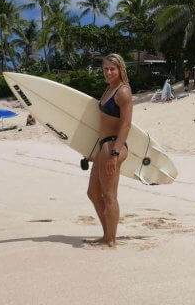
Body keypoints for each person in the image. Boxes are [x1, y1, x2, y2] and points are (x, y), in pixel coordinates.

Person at [87, 53, 132, 247]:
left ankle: (111, 240)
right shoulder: (109, 89)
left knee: (109, 195)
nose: (108, 72)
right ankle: (107, 234)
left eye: (112, 68)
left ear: (120, 69)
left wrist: (115, 153)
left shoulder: (123, 92)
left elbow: (126, 125)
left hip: (113, 146)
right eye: (105, 68)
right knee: (93, 193)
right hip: (102, 146)